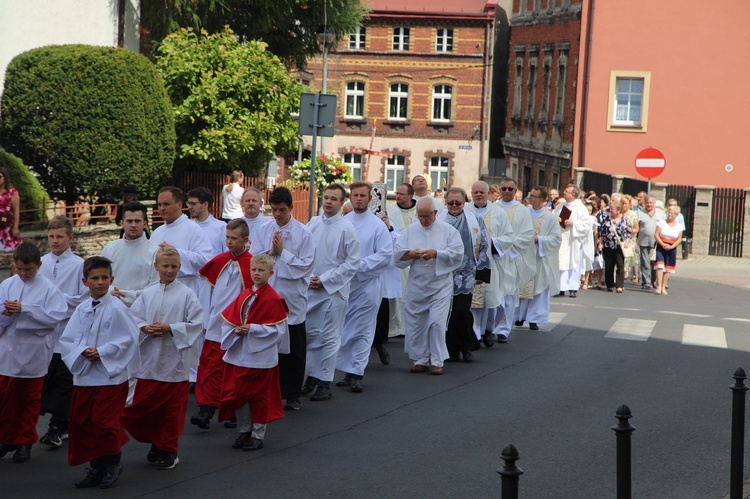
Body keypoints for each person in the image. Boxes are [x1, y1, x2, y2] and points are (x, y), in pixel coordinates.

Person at [58, 256, 140, 489]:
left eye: (105, 278)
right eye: (95, 278)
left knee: (103, 421)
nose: (100, 282)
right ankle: (97, 466)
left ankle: (113, 462)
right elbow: (69, 339)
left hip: (109, 376)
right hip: (85, 375)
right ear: (85, 281)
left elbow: (128, 339)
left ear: (112, 279)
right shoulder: (83, 308)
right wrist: (82, 351)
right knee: (84, 422)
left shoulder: (117, 308)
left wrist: (102, 352)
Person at [121, 246, 203, 470]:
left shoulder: (187, 294)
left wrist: (171, 328)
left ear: (180, 267)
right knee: (146, 407)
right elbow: (132, 318)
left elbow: (196, 323)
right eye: (165, 266)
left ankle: (168, 449)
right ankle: (156, 443)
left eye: (174, 266)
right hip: (150, 360)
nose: (169, 270)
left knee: (170, 411)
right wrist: (143, 327)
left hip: (174, 361)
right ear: (156, 266)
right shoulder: (148, 293)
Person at [0, 242, 67, 463]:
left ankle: (24, 442)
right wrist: (6, 314)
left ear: (38, 265)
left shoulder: (49, 289)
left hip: (34, 352)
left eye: (28, 269)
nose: (24, 274)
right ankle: (6, 438)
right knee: (6, 399)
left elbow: (53, 319)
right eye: (19, 269)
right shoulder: (8, 284)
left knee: (28, 401)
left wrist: (25, 310)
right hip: (9, 350)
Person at [250, 186, 314, 411]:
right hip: (269, 293)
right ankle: (271, 388)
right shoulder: (263, 229)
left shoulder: (304, 233)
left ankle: (293, 392)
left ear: (291, 208)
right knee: (271, 344)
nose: (277, 214)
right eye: (274, 209)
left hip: (292, 294)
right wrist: (271, 252)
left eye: (282, 210)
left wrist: (283, 252)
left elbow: (306, 266)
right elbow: (255, 259)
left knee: (294, 346)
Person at [218, 254, 289, 452]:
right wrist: (237, 329)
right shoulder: (245, 294)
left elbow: (279, 330)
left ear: (270, 273)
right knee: (240, 394)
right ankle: (244, 430)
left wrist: (254, 329)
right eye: (254, 270)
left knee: (259, 397)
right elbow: (231, 320)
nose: (257, 273)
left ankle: (258, 434)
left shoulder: (274, 298)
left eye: (261, 270)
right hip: (241, 354)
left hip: (261, 357)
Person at [191, 219, 253, 429]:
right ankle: (205, 410)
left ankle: (232, 412)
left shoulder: (252, 265)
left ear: (246, 240)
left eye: (234, 239)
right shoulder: (219, 261)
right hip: (216, 324)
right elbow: (206, 291)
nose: (229, 242)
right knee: (210, 368)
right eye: (227, 237)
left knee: (233, 371)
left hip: (237, 326)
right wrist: (205, 318)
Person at [302, 184, 360, 401]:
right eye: (326, 197)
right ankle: (312, 377)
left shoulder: (347, 228)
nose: (328, 202)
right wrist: (308, 278)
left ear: (341, 202)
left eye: (333, 199)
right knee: (311, 335)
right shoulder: (313, 223)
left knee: (330, 338)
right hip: (311, 288)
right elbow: (304, 252)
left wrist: (325, 280)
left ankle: (325, 381)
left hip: (333, 291)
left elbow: (352, 263)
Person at [151, 187, 213, 386]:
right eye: (159, 204)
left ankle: (189, 376)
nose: (162, 208)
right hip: (160, 290)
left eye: (166, 204)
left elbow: (206, 260)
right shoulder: (158, 231)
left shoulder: (194, 229)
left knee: (183, 336)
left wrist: (176, 253)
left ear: (179, 205)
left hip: (186, 287)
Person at [395, 198, 463, 374]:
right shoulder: (411, 230)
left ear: (435, 213)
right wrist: (411, 254)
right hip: (417, 283)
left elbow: (458, 254)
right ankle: (420, 359)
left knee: (436, 323)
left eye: (427, 216)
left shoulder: (448, 231)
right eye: (420, 216)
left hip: (439, 284)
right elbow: (397, 255)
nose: (423, 220)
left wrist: (436, 253)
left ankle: (437, 360)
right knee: (416, 323)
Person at [336, 181, 393, 392]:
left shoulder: (378, 225)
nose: (359, 199)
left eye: (363, 195)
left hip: (368, 284)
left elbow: (385, 254)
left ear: (370, 199)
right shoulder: (343, 222)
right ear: (350, 198)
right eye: (355, 195)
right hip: (346, 284)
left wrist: (358, 266)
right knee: (344, 327)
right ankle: (346, 369)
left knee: (363, 328)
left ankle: (357, 372)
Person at [38, 217, 88, 449]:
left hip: (69, 330)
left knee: (65, 380)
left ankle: (57, 426)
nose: (55, 241)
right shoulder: (41, 263)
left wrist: (55, 303)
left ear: (70, 238)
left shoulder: (79, 265)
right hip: (44, 331)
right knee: (45, 378)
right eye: (51, 237)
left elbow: (82, 298)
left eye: (60, 236)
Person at [437, 187, 490, 361]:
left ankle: (467, 347)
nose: (454, 205)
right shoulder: (438, 220)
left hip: (466, 273)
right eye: (450, 202)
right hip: (443, 272)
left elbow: (483, 245)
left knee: (462, 310)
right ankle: (450, 349)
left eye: (457, 203)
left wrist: (482, 271)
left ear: (464, 202)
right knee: (447, 313)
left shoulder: (475, 220)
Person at [466, 181, 514, 346]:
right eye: (475, 192)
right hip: (469, 263)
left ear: (487, 193)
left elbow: (509, 237)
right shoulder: (465, 210)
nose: (478, 195)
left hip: (491, 262)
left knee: (491, 299)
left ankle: (488, 329)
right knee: (471, 301)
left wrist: (490, 242)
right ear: (471, 194)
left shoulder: (498, 213)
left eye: (481, 192)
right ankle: (473, 334)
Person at [515, 186, 562, 330]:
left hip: (539, 257)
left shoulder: (550, 217)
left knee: (538, 287)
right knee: (521, 286)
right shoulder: (524, 213)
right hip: (523, 256)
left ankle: (534, 318)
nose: (530, 197)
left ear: (541, 200)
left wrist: (539, 239)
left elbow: (556, 239)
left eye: (533, 196)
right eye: (530, 194)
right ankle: (519, 317)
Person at [495, 178, 535, 342]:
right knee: (495, 292)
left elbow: (526, 235)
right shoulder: (493, 208)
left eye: (510, 189)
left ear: (515, 191)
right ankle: (490, 327)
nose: (506, 191)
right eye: (503, 188)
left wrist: (507, 245)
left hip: (511, 257)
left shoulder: (523, 211)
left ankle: (504, 329)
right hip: (495, 256)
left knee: (510, 294)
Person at [101, 201, 159, 307]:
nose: (133, 225)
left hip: (141, 310)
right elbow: (100, 276)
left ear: (144, 224)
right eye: (129, 221)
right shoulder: (110, 248)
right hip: (111, 306)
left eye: (137, 221)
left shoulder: (155, 252)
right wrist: (110, 292)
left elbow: (155, 286)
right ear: (122, 223)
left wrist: (126, 296)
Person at [555, 185, 593, 298]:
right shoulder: (561, 205)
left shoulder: (580, 208)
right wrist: (557, 220)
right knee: (561, 262)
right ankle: (560, 288)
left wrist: (573, 224)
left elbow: (586, 225)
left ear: (573, 195)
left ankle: (572, 288)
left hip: (573, 240)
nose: (564, 192)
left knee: (573, 263)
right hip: (562, 238)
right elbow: (553, 216)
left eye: (566, 191)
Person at [597, 200, 633, 293]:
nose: (610, 211)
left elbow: (629, 232)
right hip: (608, 245)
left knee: (620, 265)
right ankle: (610, 284)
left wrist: (626, 241)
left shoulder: (625, 220)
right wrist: (600, 243)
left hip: (619, 245)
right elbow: (602, 232)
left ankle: (619, 285)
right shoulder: (607, 219)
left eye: (612, 209)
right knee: (609, 265)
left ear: (618, 210)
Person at [187, 187, 228, 256]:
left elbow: (227, 253)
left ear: (205, 205)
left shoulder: (221, 227)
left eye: (193, 204)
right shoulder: (188, 227)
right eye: (189, 203)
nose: (189, 207)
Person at [637, 195, 666, 290]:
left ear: (654, 203)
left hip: (656, 242)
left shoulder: (661, 214)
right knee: (645, 262)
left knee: (655, 262)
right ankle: (646, 282)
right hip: (643, 241)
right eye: (647, 202)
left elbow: (665, 226)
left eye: (651, 203)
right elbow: (636, 226)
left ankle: (654, 280)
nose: (649, 204)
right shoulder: (639, 213)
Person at [654, 206, 683, 295]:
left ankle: (663, 286)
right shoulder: (662, 222)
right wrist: (662, 244)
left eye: (672, 213)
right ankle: (658, 286)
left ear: (676, 215)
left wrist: (672, 246)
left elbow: (679, 239)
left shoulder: (679, 226)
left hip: (671, 248)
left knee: (667, 268)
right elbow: (656, 234)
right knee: (659, 265)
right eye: (669, 213)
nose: (670, 215)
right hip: (661, 246)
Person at [0, 167, 22, 256]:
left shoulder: (12, 192)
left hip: (6, 225)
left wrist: (16, 227)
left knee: (10, 253)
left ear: (5, 177)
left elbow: (16, 209)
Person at [621, 195, 640, 283]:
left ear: (629, 204)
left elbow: (636, 228)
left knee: (626, 258)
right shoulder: (618, 213)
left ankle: (624, 272)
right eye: (622, 203)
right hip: (619, 239)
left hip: (629, 240)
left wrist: (628, 230)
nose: (624, 205)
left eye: (626, 203)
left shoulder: (633, 214)